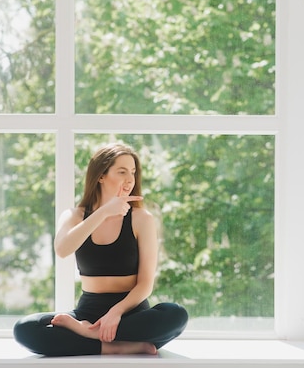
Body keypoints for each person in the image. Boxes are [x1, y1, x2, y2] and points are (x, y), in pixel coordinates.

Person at [13, 143, 188, 356]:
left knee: (176, 314)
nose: (130, 179)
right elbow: (62, 249)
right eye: (122, 172)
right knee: (25, 329)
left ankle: (90, 335)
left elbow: (145, 284)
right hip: (88, 311)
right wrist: (104, 212)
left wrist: (115, 313)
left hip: (131, 314)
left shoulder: (142, 219)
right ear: (101, 176)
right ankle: (118, 345)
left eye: (133, 172)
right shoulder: (74, 216)